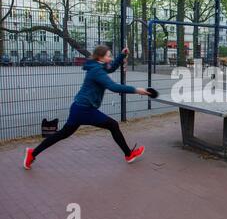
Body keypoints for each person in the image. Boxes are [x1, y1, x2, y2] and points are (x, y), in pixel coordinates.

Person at [23, 45, 151, 170]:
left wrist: (122, 55)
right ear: (101, 57)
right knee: (112, 125)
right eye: (109, 56)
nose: (111, 58)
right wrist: (137, 90)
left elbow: (111, 68)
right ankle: (128, 154)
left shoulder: (97, 66)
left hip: (78, 108)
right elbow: (113, 86)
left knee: (62, 134)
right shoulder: (97, 70)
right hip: (84, 109)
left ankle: (32, 153)